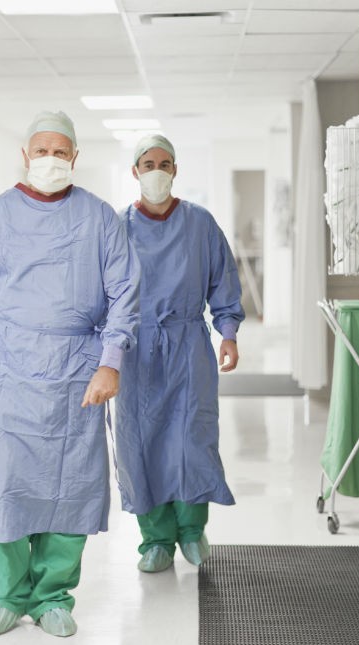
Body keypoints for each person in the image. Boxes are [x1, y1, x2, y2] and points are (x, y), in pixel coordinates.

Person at [0, 110, 140, 638]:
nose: (51, 160)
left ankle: (54, 594)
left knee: (70, 485)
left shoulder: (100, 218)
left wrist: (110, 362)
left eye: (61, 152)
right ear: (25, 155)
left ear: (75, 158)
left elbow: (125, 292)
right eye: (42, 151)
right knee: (7, 483)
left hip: (79, 366)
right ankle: (5, 595)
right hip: (12, 366)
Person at [114, 134, 244, 574]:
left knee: (191, 440)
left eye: (164, 163)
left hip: (188, 343)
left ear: (175, 170)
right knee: (141, 444)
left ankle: (191, 530)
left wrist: (227, 332)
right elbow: (104, 293)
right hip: (135, 351)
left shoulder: (199, 223)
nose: (156, 171)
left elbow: (222, 281)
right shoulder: (118, 227)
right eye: (147, 163)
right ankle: (155, 539)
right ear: (135, 171)